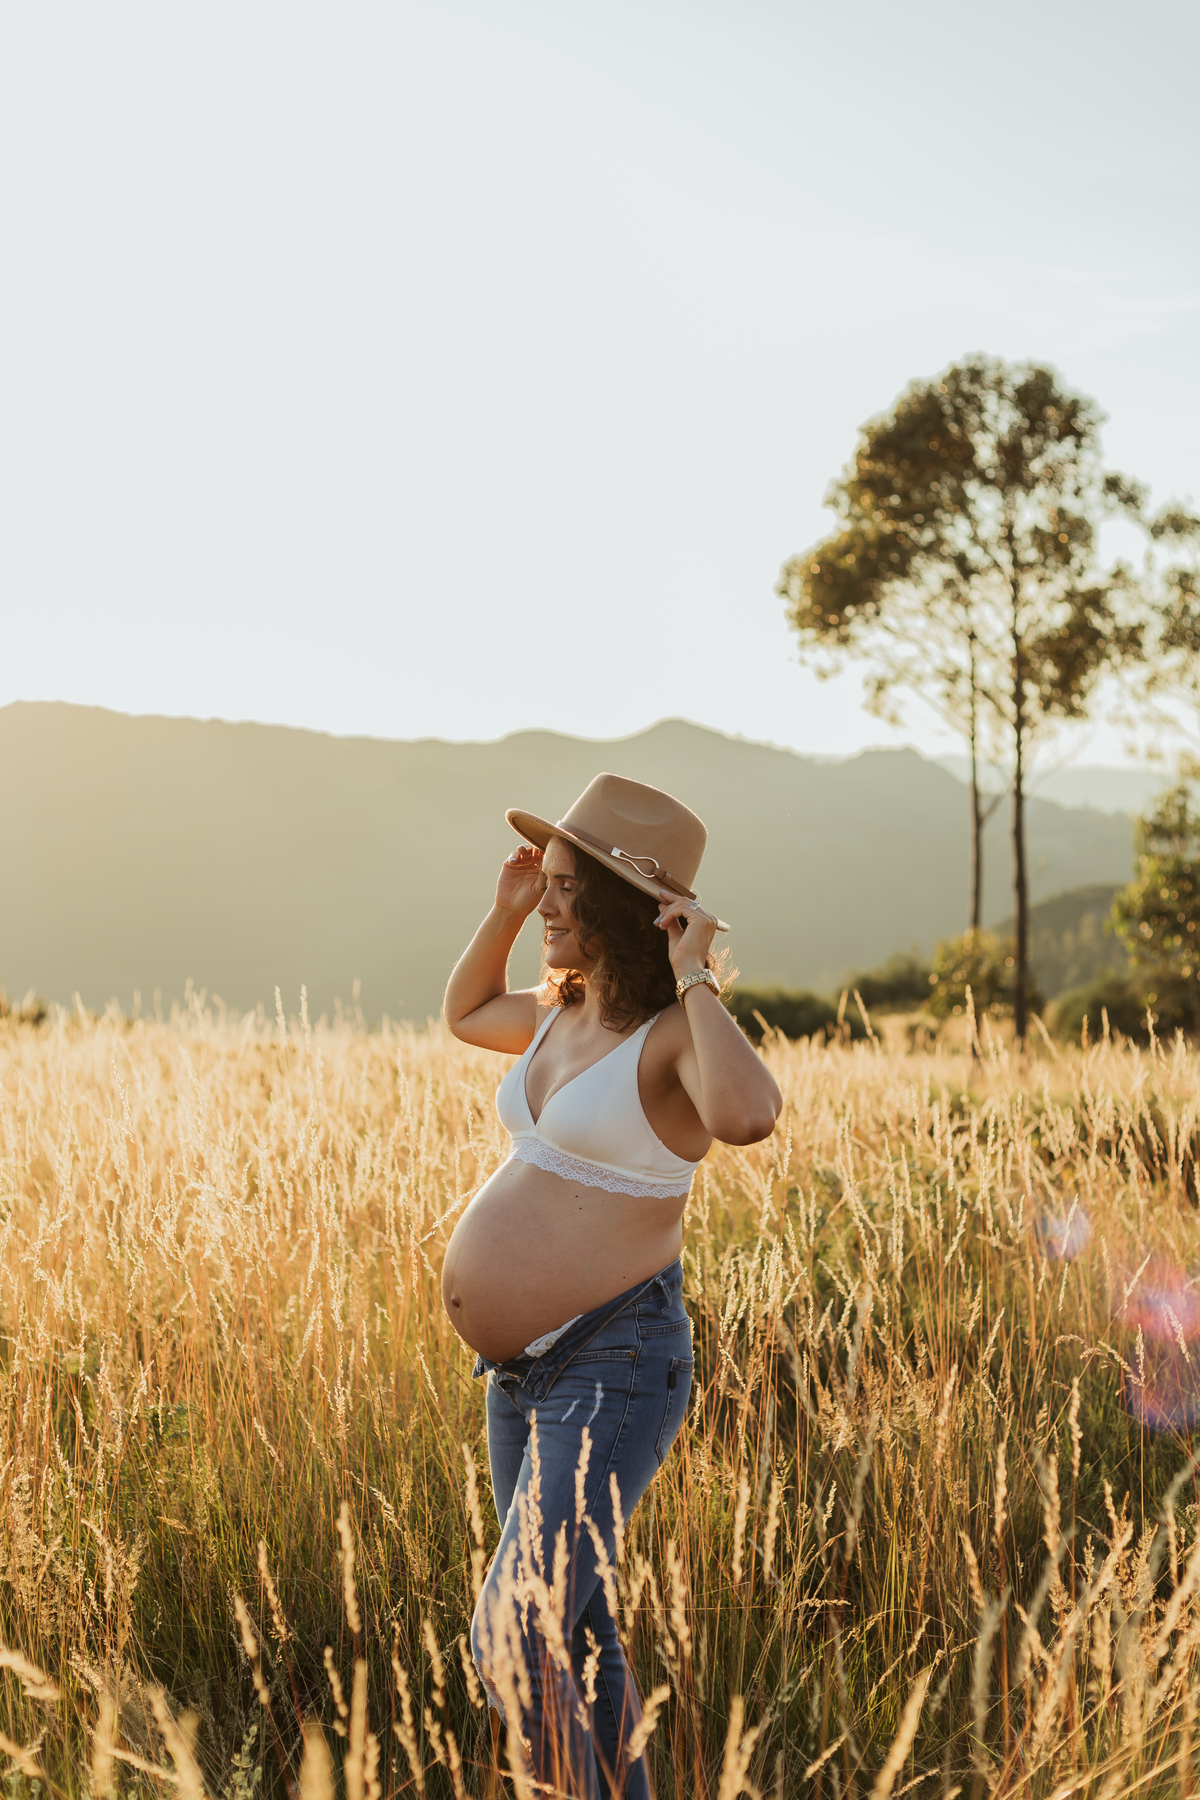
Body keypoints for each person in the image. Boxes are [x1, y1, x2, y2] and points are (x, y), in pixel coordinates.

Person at [442, 773, 781, 1799]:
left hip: (616, 1362)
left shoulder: (677, 1036)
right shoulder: (559, 1014)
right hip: (524, 1380)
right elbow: (463, 1013)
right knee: (578, 1641)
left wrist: (697, 973)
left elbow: (749, 1115)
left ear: (631, 909)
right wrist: (501, 914)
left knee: (516, 1629)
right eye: (542, 885)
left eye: (562, 890)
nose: (546, 905)